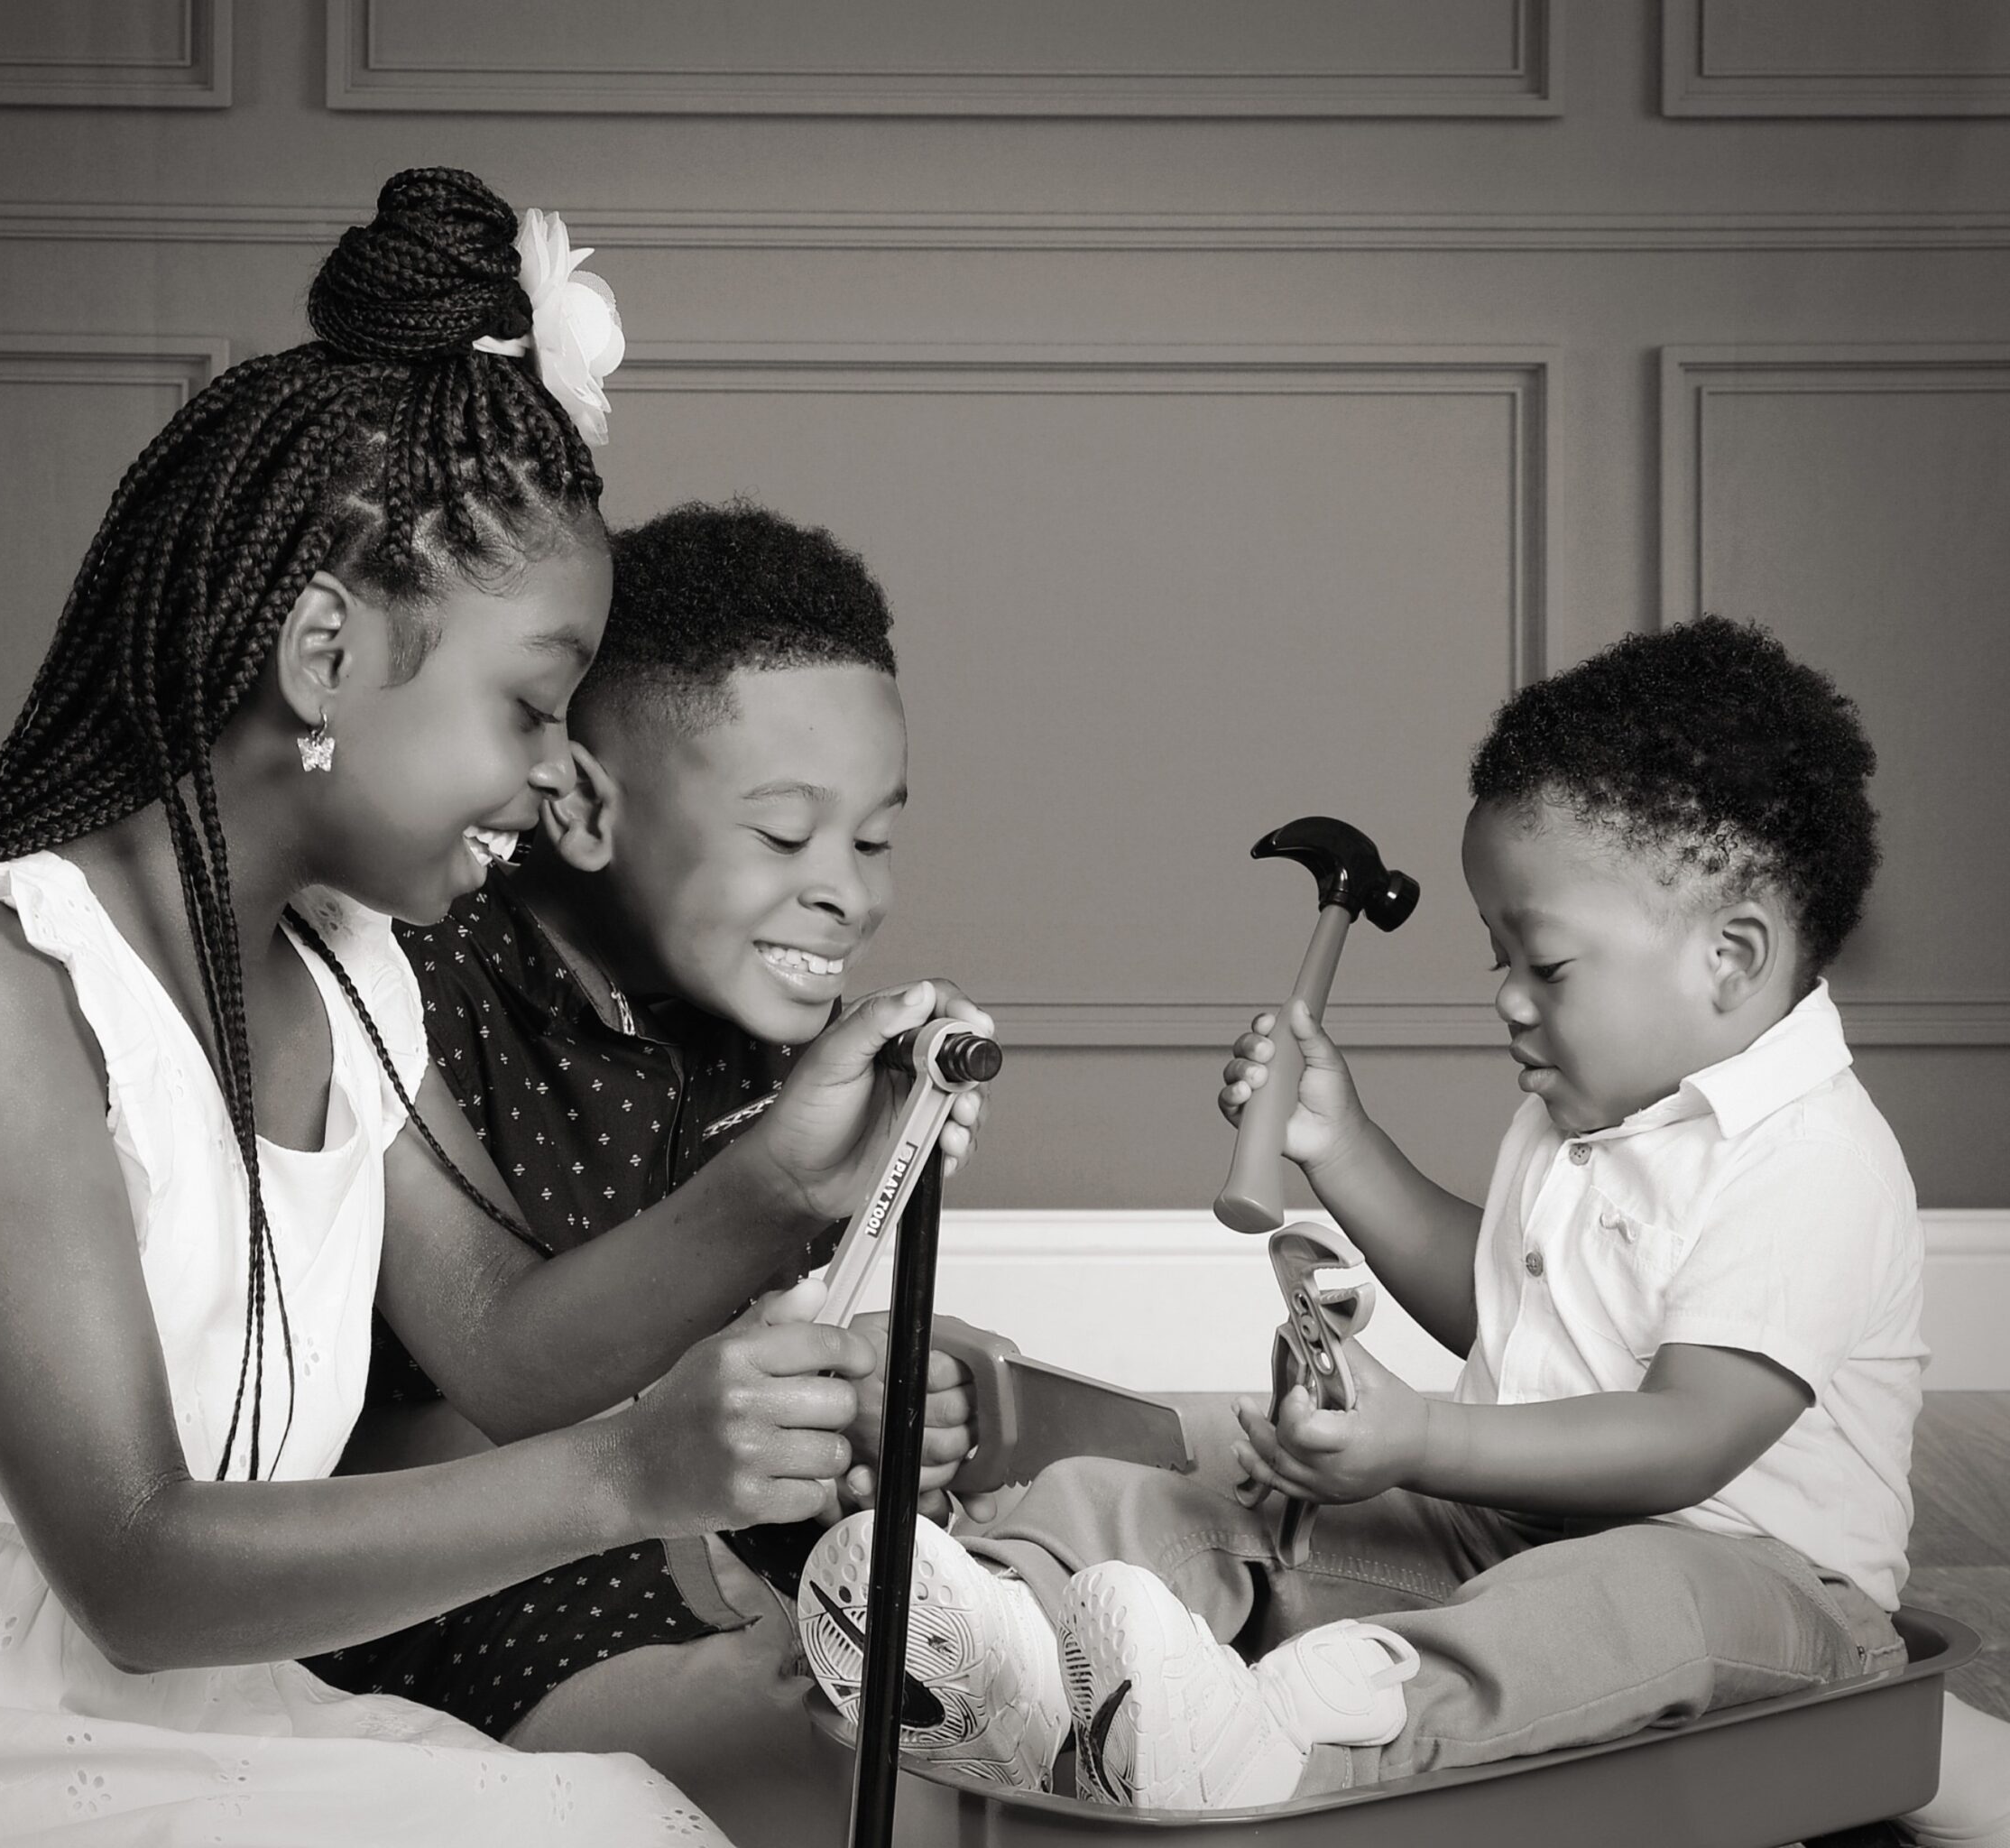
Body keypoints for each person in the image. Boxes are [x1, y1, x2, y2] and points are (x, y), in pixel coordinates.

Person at [0, 168, 983, 1847]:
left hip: (186, 1690)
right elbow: (139, 1566)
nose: (550, 779)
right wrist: (635, 1471)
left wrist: (784, 1188)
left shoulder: (337, 975)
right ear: (322, 658)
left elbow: (512, 1354)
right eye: (531, 706)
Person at [802, 615, 1931, 1815]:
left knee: (1613, 1614)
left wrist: (1430, 1442)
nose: (1504, 998)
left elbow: (1688, 1436)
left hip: (1766, 1597)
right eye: (1497, 955)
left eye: (1543, 967)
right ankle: (985, 1631)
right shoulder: (1589, 1115)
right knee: (1209, 1505)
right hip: (1518, 1530)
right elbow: (1500, 1301)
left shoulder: (1808, 1159)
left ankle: (1283, 1743)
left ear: (1732, 957)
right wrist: (1342, 1147)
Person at [304, 500, 990, 1841]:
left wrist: (864, 1387)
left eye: (876, 836)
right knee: (828, 1740)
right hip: (436, 1565)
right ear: (582, 803)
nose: (850, 893)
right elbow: (422, 1406)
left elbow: (746, 1356)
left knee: (976, 1582)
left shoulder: (745, 1039)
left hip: (674, 1539)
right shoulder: (419, 983)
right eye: (785, 838)